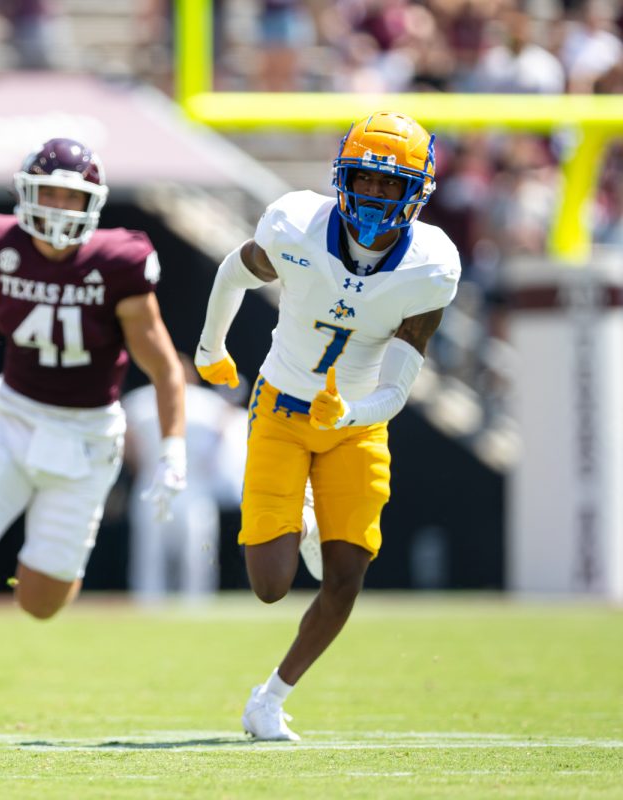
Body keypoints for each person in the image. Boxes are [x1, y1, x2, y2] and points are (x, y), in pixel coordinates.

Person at [194, 111, 459, 741]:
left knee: (346, 576)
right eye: (365, 179)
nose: (373, 195)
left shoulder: (430, 266)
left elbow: (397, 386)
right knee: (269, 585)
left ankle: (270, 698)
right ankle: (306, 519)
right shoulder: (296, 226)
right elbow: (236, 266)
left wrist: (351, 413)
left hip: (357, 426)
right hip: (282, 408)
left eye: (390, 185)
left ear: (415, 193)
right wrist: (210, 345)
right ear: (342, 176)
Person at [0, 137, 186, 721]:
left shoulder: (119, 261)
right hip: (12, 418)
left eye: (71, 196)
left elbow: (163, 366)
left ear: (94, 204)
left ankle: (52, 562)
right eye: (48, 193)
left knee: (39, 602)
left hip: (85, 436)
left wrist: (173, 449)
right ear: (25, 195)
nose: (58, 208)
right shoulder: (0, 244)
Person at [121, 353, 244, 600]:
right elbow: (126, 439)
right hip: (153, 482)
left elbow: (231, 435)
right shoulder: (141, 401)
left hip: (193, 484)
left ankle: (194, 604)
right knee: (150, 552)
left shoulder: (207, 403)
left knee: (196, 552)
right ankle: (150, 604)